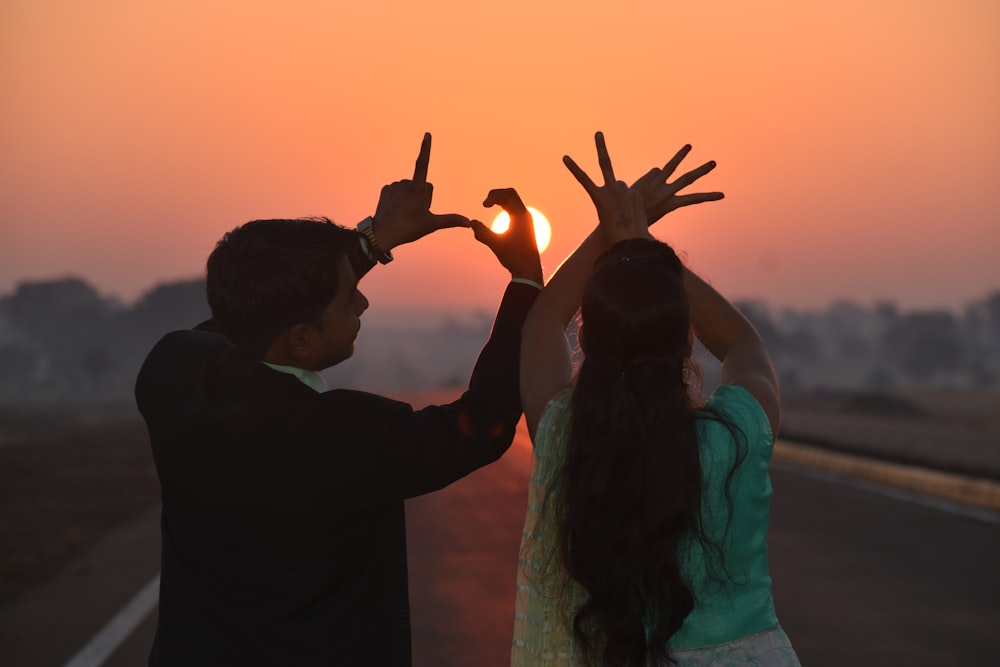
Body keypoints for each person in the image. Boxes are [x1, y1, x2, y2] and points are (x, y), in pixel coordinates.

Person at [135, 133, 543, 666]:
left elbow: (244, 317)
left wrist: (374, 242)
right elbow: (482, 423)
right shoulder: (347, 437)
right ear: (301, 339)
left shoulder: (170, 371)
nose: (364, 300)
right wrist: (526, 279)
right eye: (348, 298)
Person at [512, 133, 800, 666]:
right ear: (686, 338)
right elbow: (743, 345)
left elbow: (542, 322)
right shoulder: (737, 434)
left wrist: (613, 238)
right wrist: (643, 246)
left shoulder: (561, 436)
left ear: (589, 342)